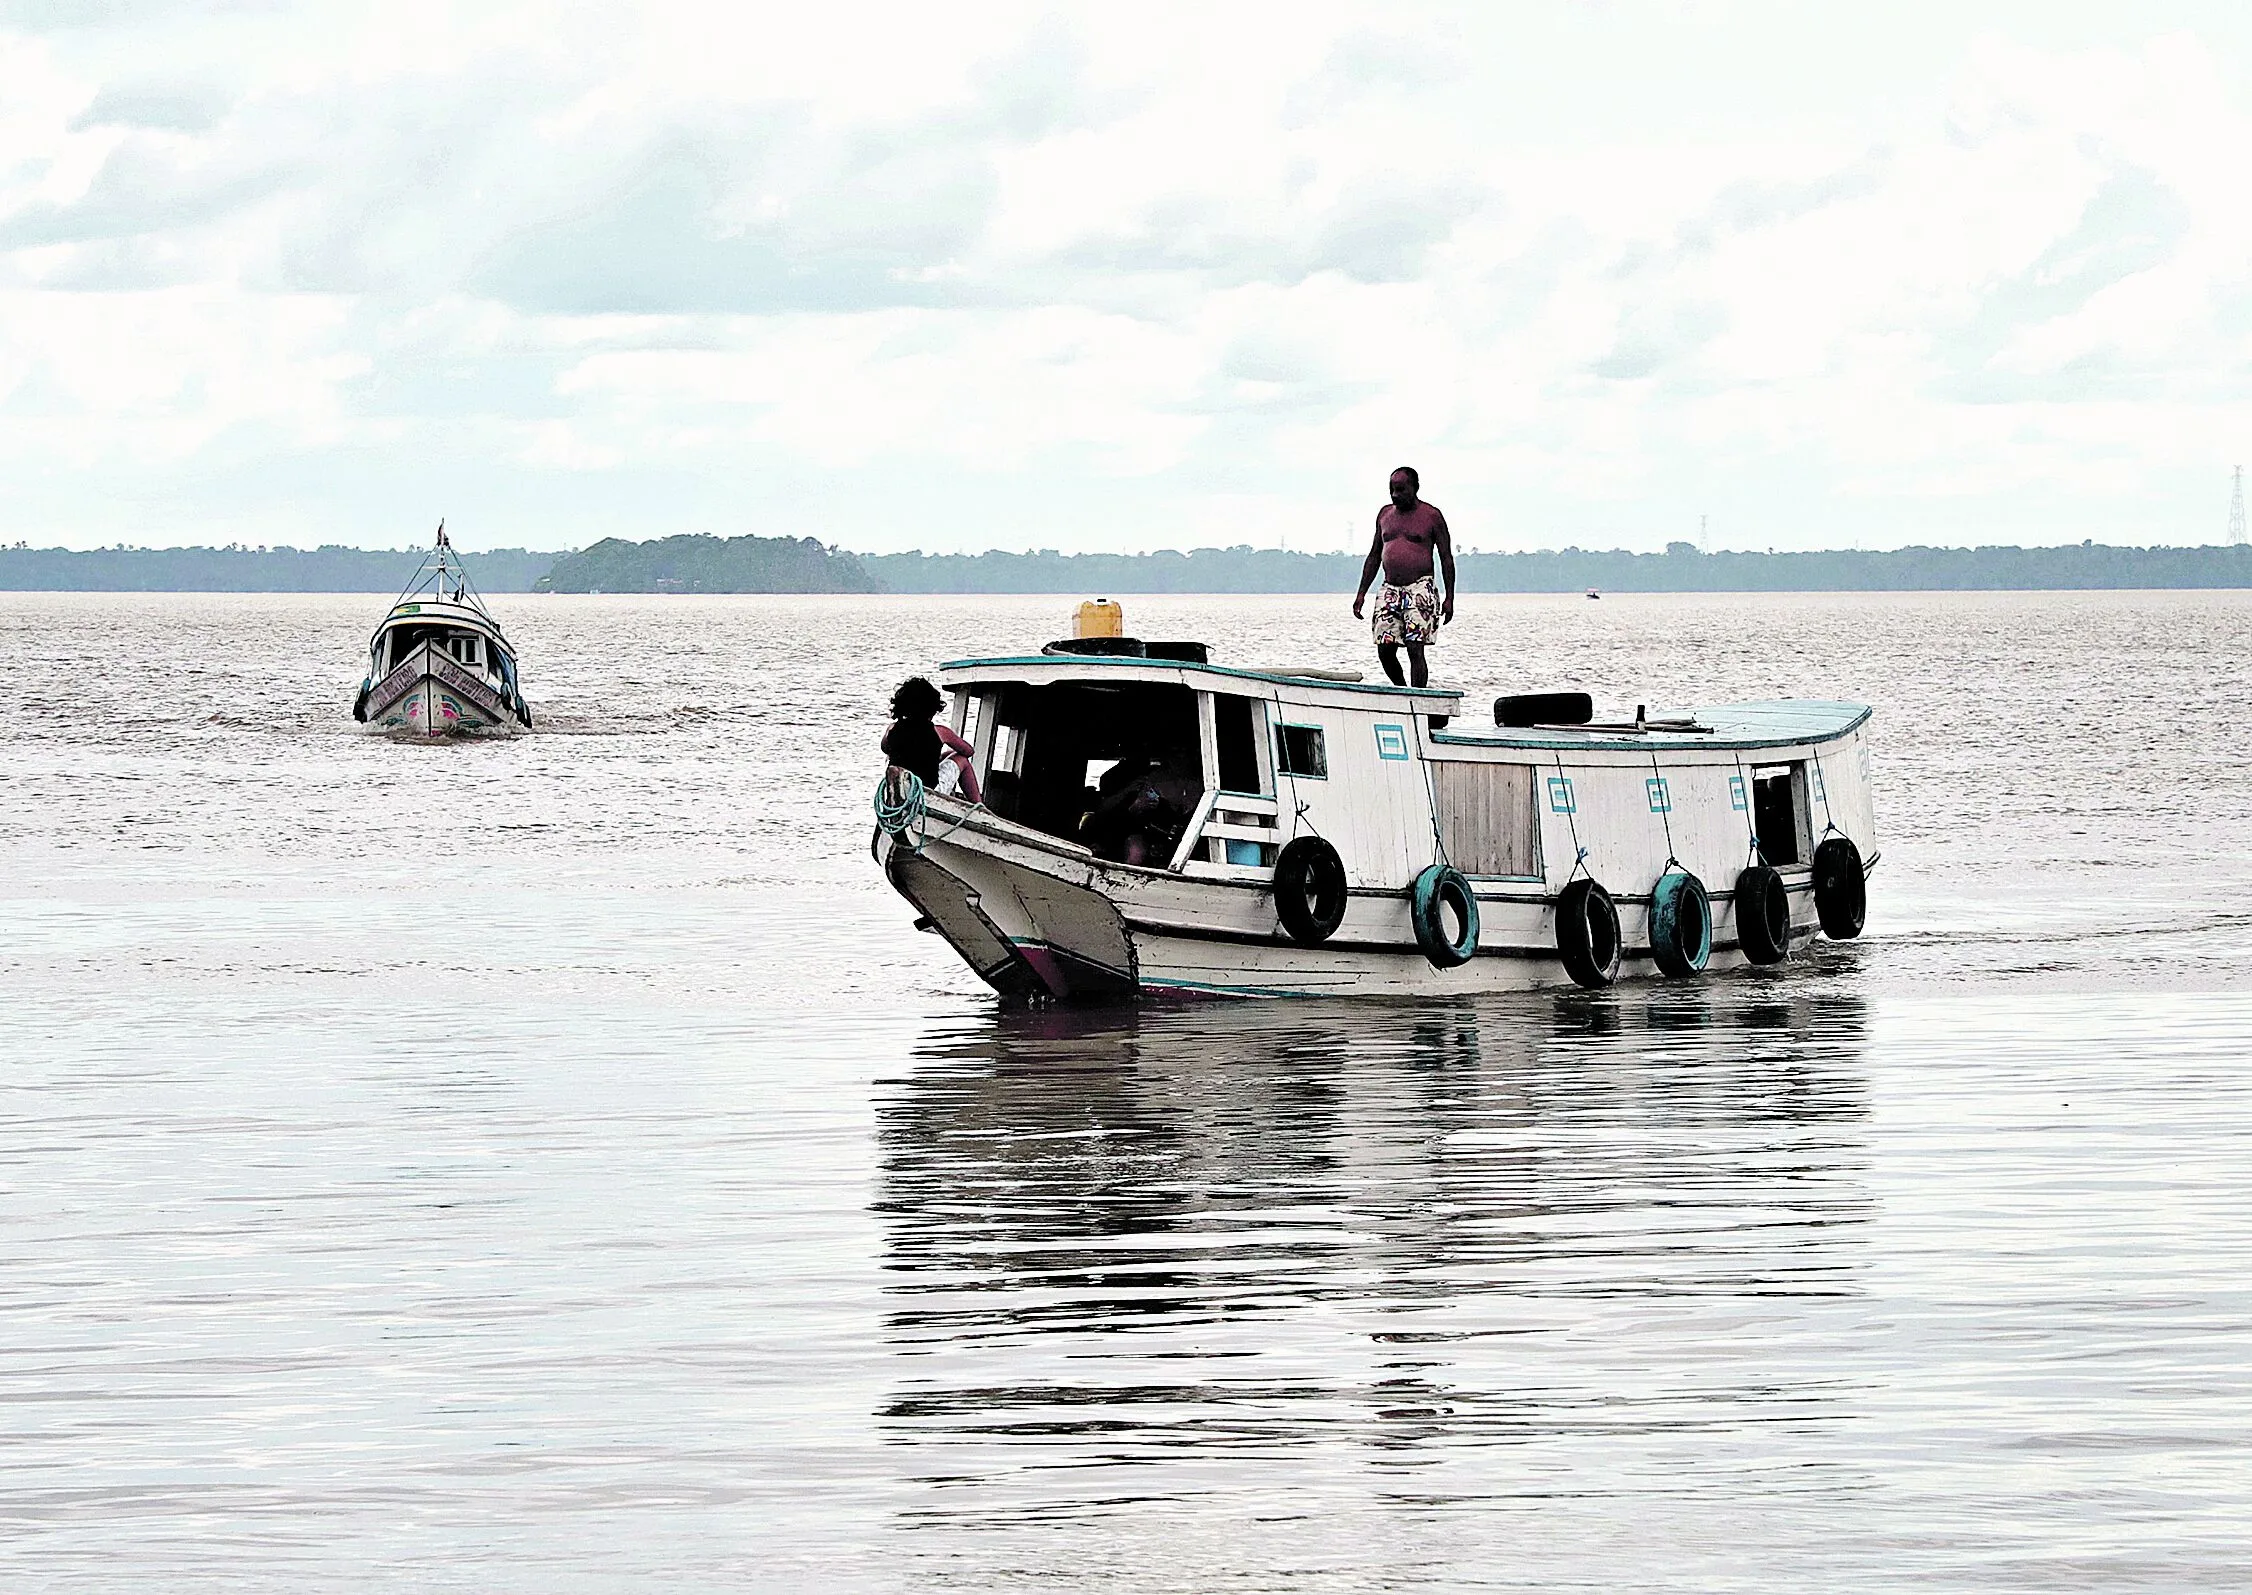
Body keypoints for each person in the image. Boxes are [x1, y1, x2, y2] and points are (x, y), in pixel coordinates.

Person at [1350, 465, 1455, 694]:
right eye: (1392, 490)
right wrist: (1361, 594)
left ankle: (1418, 698)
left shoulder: (1431, 516)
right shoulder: (1385, 514)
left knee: (1415, 648)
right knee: (1384, 649)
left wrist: (1449, 598)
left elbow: (1446, 558)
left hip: (1420, 586)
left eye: (1401, 490)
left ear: (1415, 488)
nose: (1396, 495)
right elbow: (1374, 555)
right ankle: (1401, 692)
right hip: (1390, 588)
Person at [881, 677, 981, 803]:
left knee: (946, 754)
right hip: (928, 794)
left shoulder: (892, 729)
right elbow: (968, 751)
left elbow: (885, 748)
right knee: (961, 759)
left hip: (900, 791)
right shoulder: (941, 732)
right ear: (932, 708)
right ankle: (979, 806)